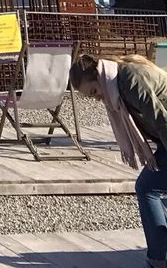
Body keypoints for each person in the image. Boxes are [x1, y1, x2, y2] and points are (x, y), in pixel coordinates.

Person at [71, 52, 167, 268]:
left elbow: (161, 119)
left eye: (94, 92)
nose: (97, 98)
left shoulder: (129, 81)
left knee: (147, 188)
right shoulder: (118, 80)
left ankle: (158, 258)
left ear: (98, 74)